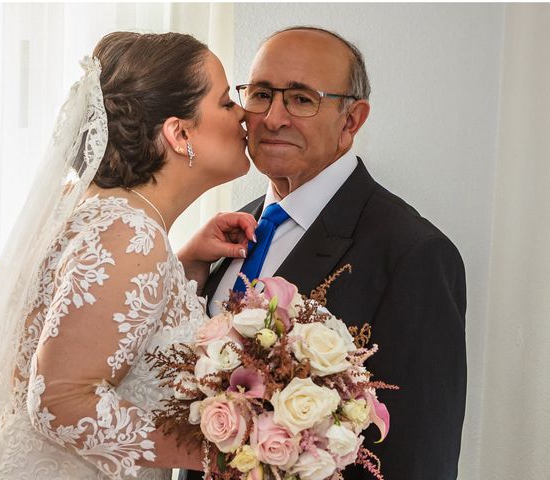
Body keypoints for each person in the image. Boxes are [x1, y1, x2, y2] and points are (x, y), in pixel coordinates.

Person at [0, 31, 257, 479]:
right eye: (227, 102)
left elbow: (113, 334)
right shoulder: (130, 236)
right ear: (179, 133)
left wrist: (183, 265)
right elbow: (60, 400)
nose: (244, 115)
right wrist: (231, 451)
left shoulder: (82, 206)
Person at [183, 26, 467, 480]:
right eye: (260, 94)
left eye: (300, 99)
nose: (273, 117)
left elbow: (421, 457)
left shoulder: (414, 254)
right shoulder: (230, 230)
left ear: (351, 120)